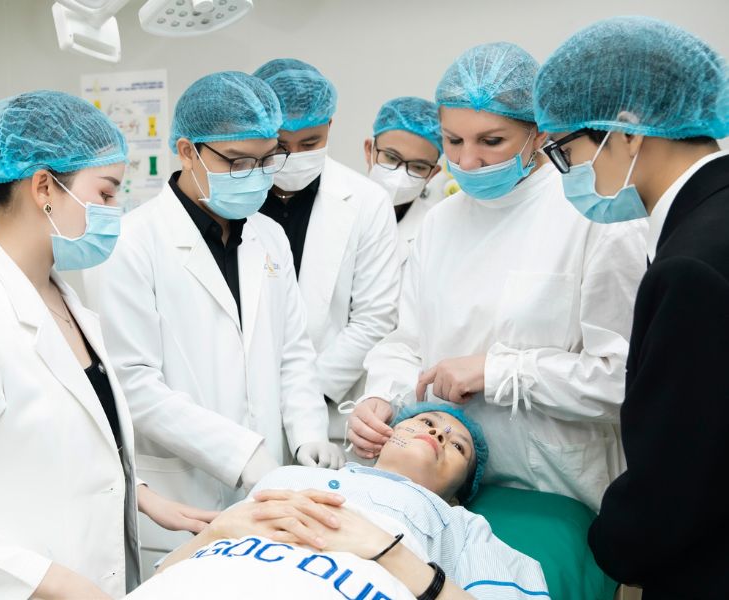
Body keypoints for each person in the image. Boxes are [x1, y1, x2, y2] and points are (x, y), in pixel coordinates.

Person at [0, 90, 211, 599]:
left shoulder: (66, 301)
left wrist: (141, 495)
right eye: (106, 194)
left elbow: (61, 447)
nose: (115, 211)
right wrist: (52, 582)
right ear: (43, 188)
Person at [347, 42, 648, 511]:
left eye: (491, 142)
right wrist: (382, 397)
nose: (467, 162)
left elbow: (623, 379)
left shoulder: (594, 216)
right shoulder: (441, 222)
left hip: (553, 488)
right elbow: (407, 343)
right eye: (453, 141)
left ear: (539, 132)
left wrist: (498, 371)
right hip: (443, 491)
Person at [83, 72, 342, 568]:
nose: (258, 175)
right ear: (187, 151)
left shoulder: (269, 236)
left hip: (270, 491)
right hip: (182, 499)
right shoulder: (131, 243)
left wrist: (309, 433)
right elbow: (134, 384)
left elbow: (293, 353)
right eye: (238, 162)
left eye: (267, 159)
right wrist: (243, 455)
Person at [534, 16, 729, 598]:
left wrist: (609, 545)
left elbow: (682, 473)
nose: (565, 173)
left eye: (565, 151)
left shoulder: (691, 266)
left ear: (627, 131)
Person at [126, 404, 549, 599]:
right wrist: (215, 531)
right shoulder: (285, 476)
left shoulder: (459, 523)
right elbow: (164, 575)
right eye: (426, 420)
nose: (438, 433)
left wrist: (388, 551)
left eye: (457, 446)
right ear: (385, 436)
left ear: (458, 493)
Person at [253, 59, 400, 441]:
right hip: (242, 408)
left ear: (330, 126)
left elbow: (374, 318)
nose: (294, 155)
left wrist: (301, 397)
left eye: (310, 144)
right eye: (280, 145)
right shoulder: (235, 199)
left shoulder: (367, 201)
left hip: (328, 412)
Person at [364, 97, 444, 266]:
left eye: (418, 167)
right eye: (391, 157)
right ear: (369, 150)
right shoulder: (333, 208)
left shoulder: (437, 232)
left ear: (433, 174)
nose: (400, 175)